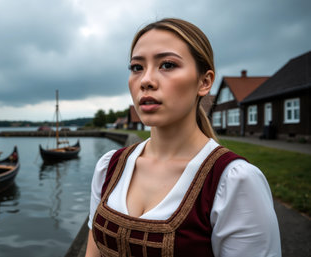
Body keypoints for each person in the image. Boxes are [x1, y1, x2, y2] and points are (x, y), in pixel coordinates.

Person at [85, 18, 281, 257]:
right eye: (137, 67)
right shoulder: (109, 167)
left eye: (167, 65)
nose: (146, 80)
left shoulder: (234, 182)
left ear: (204, 82)